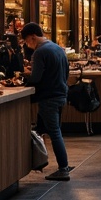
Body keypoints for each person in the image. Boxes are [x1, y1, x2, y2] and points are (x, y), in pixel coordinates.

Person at [20, 22, 72, 180]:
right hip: (61, 94)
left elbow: (36, 77)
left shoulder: (40, 52)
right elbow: (67, 71)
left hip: (48, 97)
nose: (28, 45)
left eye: (28, 41)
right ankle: (41, 161)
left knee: (54, 133)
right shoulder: (57, 48)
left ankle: (63, 168)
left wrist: (25, 75)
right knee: (46, 129)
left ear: (33, 37)